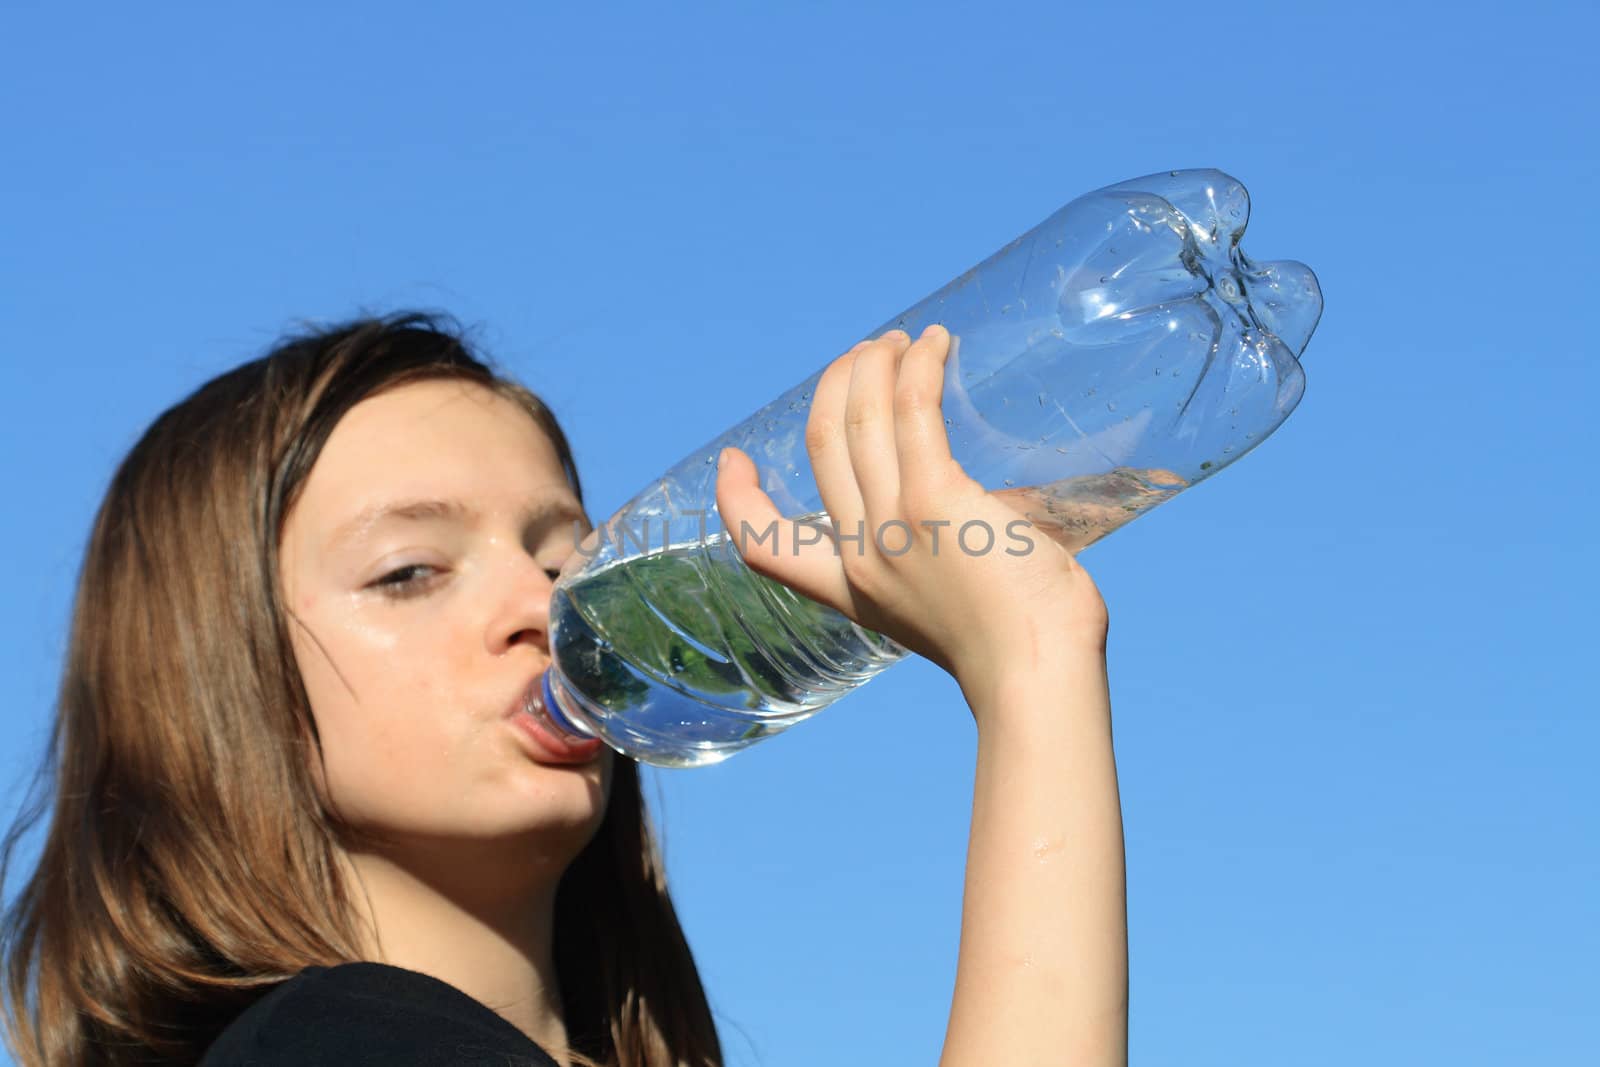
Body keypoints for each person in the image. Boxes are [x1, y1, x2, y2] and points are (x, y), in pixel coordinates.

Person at [0, 311, 1128, 1066]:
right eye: (409, 572)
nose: (543, 609)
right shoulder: (331, 1044)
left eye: (563, 557)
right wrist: (1029, 665)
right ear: (207, 681)